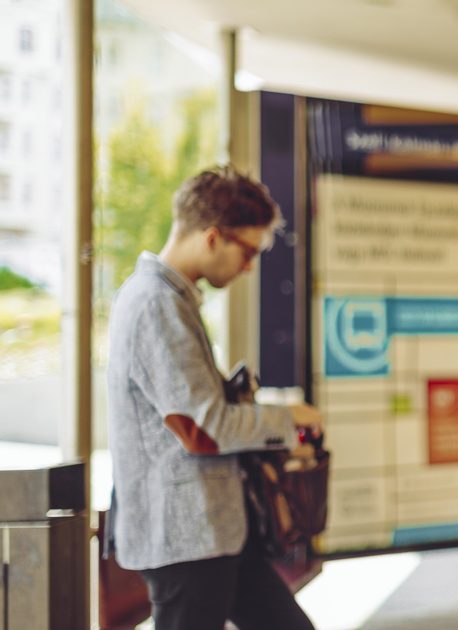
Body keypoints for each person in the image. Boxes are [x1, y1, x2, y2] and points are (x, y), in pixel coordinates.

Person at [106, 166, 321, 630]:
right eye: (247, 252)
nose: (248, 267)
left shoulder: (167, 299)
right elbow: (204, 427)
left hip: (211, 532)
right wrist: (287, 419)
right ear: (212, 237)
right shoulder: (156, 304)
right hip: (188, 538)